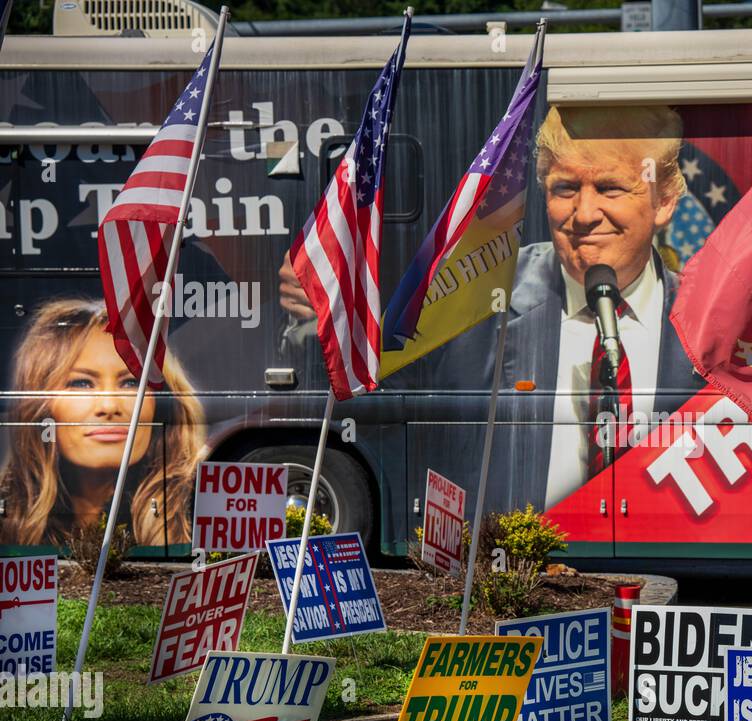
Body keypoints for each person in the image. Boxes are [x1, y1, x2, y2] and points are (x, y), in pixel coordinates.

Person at [278, 103, 702, 512]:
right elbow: (367, 378)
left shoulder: (708, 322)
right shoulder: (477, 298)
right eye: (565, 189)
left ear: (663, 201)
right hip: (521, 568)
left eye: (610, 188)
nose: (584, 214)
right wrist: (321, 317)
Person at [0, 299, 206, 548]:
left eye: (132, 383)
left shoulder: (195, 502)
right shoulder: (11, 513)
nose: (109, 406)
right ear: (43, 406)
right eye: (81, 383)